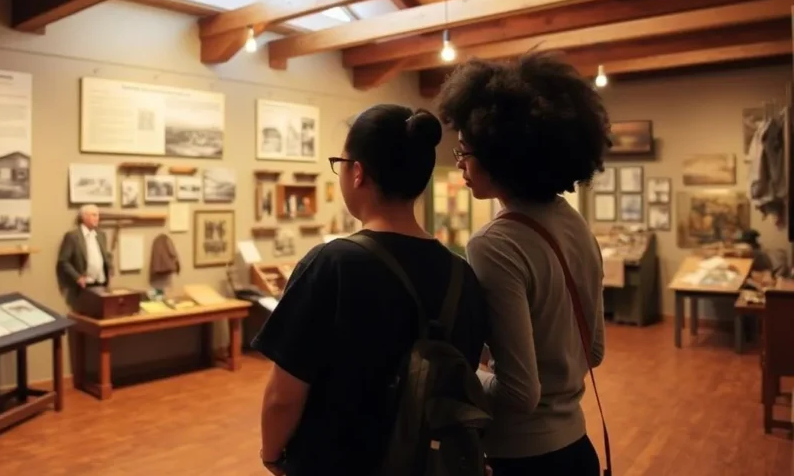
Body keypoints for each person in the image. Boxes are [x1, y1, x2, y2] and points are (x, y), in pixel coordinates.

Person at [252, 104, 487, 476]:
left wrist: (272, 454)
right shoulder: (462, 274)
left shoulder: (332, 264)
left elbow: (284, 396)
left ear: (357, 173)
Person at [438, 52, 610, 476]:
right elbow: (594, 350)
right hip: (578, 447)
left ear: (499, 155)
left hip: (523, 458)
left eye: (464, 151)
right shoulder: (574, 224)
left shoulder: (494, 243)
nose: (459, 163)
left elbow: (519, 392)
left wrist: (452, 373)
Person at [56, 204, 112, 299]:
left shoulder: (101, 235)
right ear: (84, 217)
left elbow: (105, 254)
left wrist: (110, 266)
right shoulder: (73, 236)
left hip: (101, 282)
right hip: (84, 285)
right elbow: (63, 261)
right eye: (93, 215)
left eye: (98, 215)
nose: (97, 218)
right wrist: (77, 277)